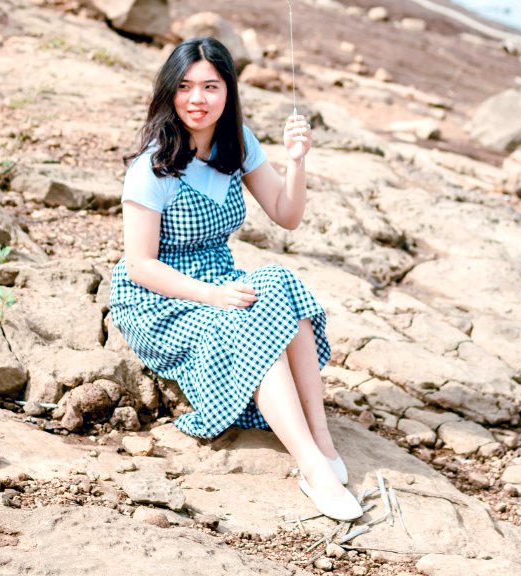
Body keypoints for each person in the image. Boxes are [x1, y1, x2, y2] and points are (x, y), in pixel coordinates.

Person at [110, 36, 363, 521]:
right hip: (159, 297)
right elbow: (140, 264)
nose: (197, 99)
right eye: (184, 87)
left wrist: (296, 160)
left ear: (229, 92)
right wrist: (212, 295)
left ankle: (321, 437)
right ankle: (312, 467)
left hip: (220, 278)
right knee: (245, 320)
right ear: (169, 93)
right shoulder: (153, 167)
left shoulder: (238, 143)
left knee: (281, 284)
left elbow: (286, 215)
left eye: (210, 86)